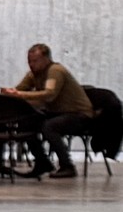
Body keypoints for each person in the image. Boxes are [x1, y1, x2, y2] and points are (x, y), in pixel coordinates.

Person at [14, 43, 92, 177]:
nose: (31, 65)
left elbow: (50, 94)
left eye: (35, 61)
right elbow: (18, 90)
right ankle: (42, 162)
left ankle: (67, 166)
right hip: (58, 113)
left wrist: (20, 95)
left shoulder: (55, 71)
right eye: (29, 61)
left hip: (79, 114)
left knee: (50, 126)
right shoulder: (33, 75)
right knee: (25, 123)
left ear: (46, 59)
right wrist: (7, 94)